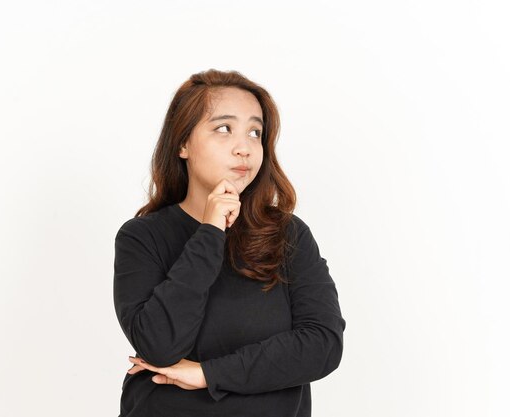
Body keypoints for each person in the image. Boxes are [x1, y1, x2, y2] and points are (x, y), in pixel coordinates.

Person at [113, 68, 346, 417]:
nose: (245, 148)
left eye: (255, 132)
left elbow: (323, 345)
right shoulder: (142, 237)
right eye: (224, 128)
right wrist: (209, 232)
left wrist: (208, 373)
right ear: (182, 143)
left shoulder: (288, 234)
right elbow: (160, 346)